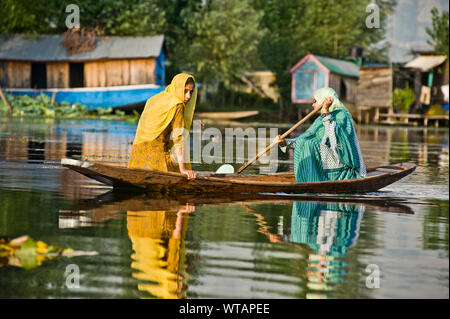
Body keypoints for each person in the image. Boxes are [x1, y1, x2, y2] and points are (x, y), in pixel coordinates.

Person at [274, 87, 366, 182]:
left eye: (315, 101)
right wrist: (284, 142)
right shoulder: (319, 120)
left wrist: (326, 111)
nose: (312, 104)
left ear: (323, 100)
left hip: (341, 168)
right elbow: (303, 139)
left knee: (310, 144)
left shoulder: (342, 115)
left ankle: (316, 179)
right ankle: (309, 178)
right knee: (304, 142)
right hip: (325, 164)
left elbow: (334, 139)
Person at [128, 73, 197, 179]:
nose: (188, 96)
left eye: (191, 92)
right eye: (185, 91)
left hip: (137, 156)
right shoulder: (177, 105)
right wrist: (183, 170)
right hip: (157, 159)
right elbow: (178, 140)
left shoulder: (154, 99)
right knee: (177, 161)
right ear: (178, 89)